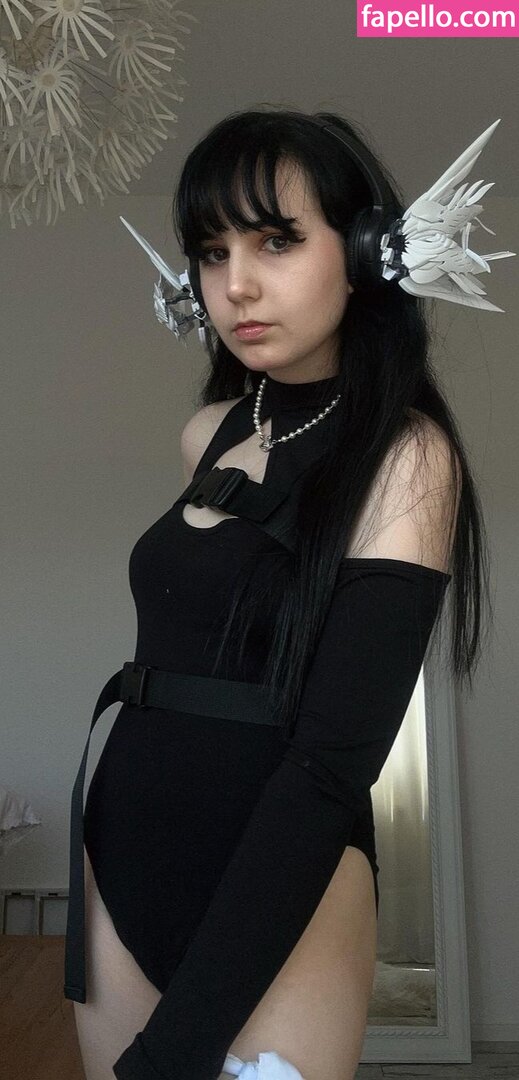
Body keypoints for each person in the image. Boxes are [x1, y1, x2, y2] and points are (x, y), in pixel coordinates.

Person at [67, 108, 509, 1080]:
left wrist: (182, 1043)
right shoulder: (208, 434)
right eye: (211, 251)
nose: (236, 284)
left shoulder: (407, 457)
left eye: (275, 240)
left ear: (363, 251)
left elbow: (331, 767)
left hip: (285, 883)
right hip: (122, 843)